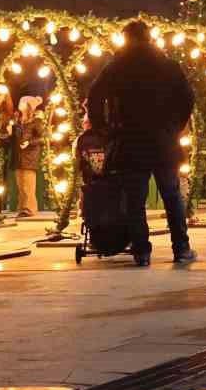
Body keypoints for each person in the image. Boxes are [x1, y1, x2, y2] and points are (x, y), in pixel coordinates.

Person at [85, 20, 198, 266]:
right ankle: (181, 248)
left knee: (135, 200)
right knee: (171, 195)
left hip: (130, 140)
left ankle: (141, 252)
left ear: (127, 38)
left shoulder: (117, 65)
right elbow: (188, 98)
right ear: (148, 38)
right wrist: (174, 127)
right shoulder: (168, 65)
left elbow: (94, 94)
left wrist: (101, 127)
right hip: (162, 141)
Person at [11, 95, 46, 217]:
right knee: (21, 185)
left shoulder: (36, 122)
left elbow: (43, 138)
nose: (20, 104)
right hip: (18, 157)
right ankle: (22, 208)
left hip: (29, 157)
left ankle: (29, 209)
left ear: (28, 106)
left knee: (28, 185)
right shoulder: (18, 121)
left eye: (23, 102)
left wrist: (29, 143)